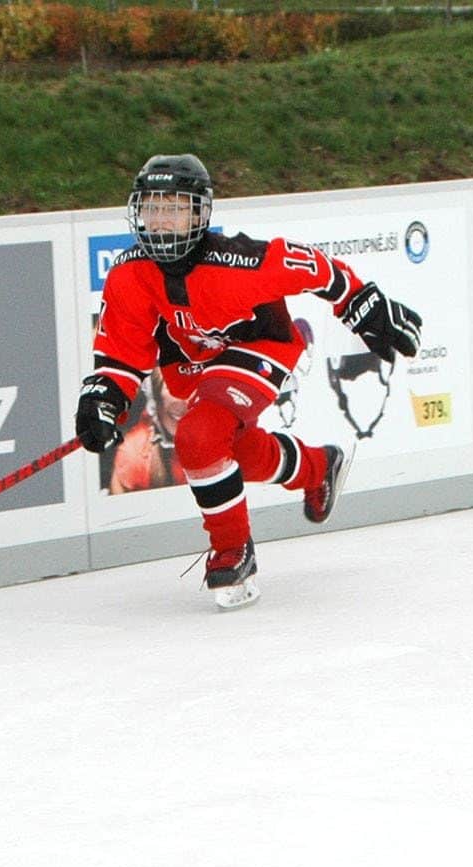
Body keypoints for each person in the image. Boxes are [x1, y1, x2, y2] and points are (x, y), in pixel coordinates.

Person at [76, 153, 423, 609]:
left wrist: (362, 301)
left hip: (260, 344)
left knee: (199, 437)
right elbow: (122, 354)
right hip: (196, 362)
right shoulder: (128, 274)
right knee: (226, 448)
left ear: (200, 214)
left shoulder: (236, 262)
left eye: (175, 208)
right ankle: (318, 468)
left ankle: (232, 550)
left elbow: (314, 267)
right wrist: (103, 396)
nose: (161, 221)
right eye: (153, 208)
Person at [107, 368, 188, 494]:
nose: (183, 401)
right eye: (172, 388)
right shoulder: (134, 452)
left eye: (190, 387)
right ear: (155, 401)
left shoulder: (223, 442)